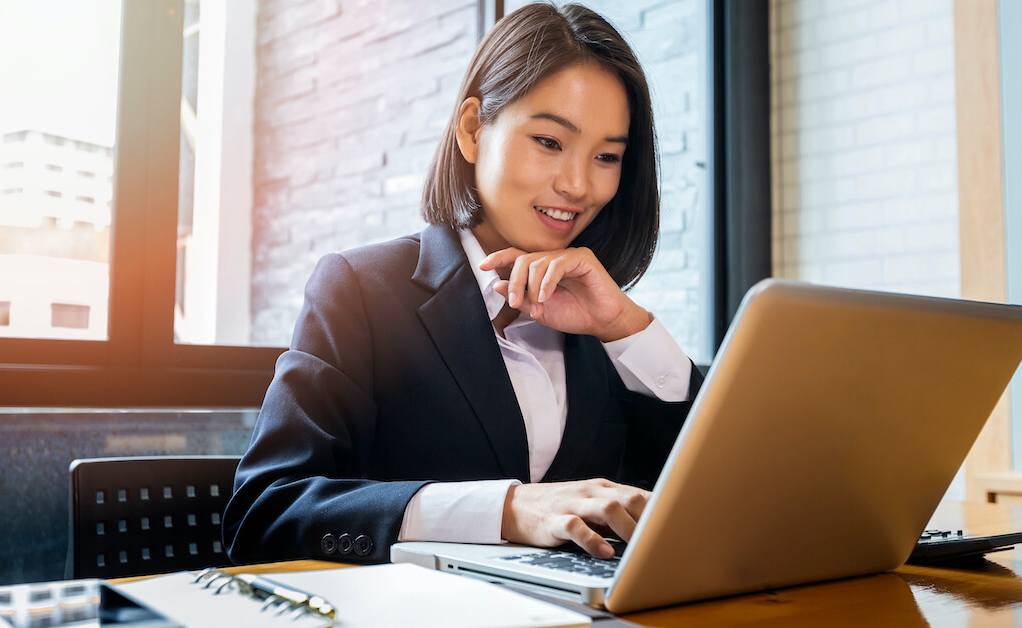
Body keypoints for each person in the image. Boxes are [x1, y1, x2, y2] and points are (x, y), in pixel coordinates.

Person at [223, 2, 702, 566]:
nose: (577, 185)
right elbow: (264, 512)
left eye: (606, 156)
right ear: (473, 131)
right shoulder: (362, 290)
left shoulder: (608, 333)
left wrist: (626, 328)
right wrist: (506, 510)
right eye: (549, 141)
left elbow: (705, 498)